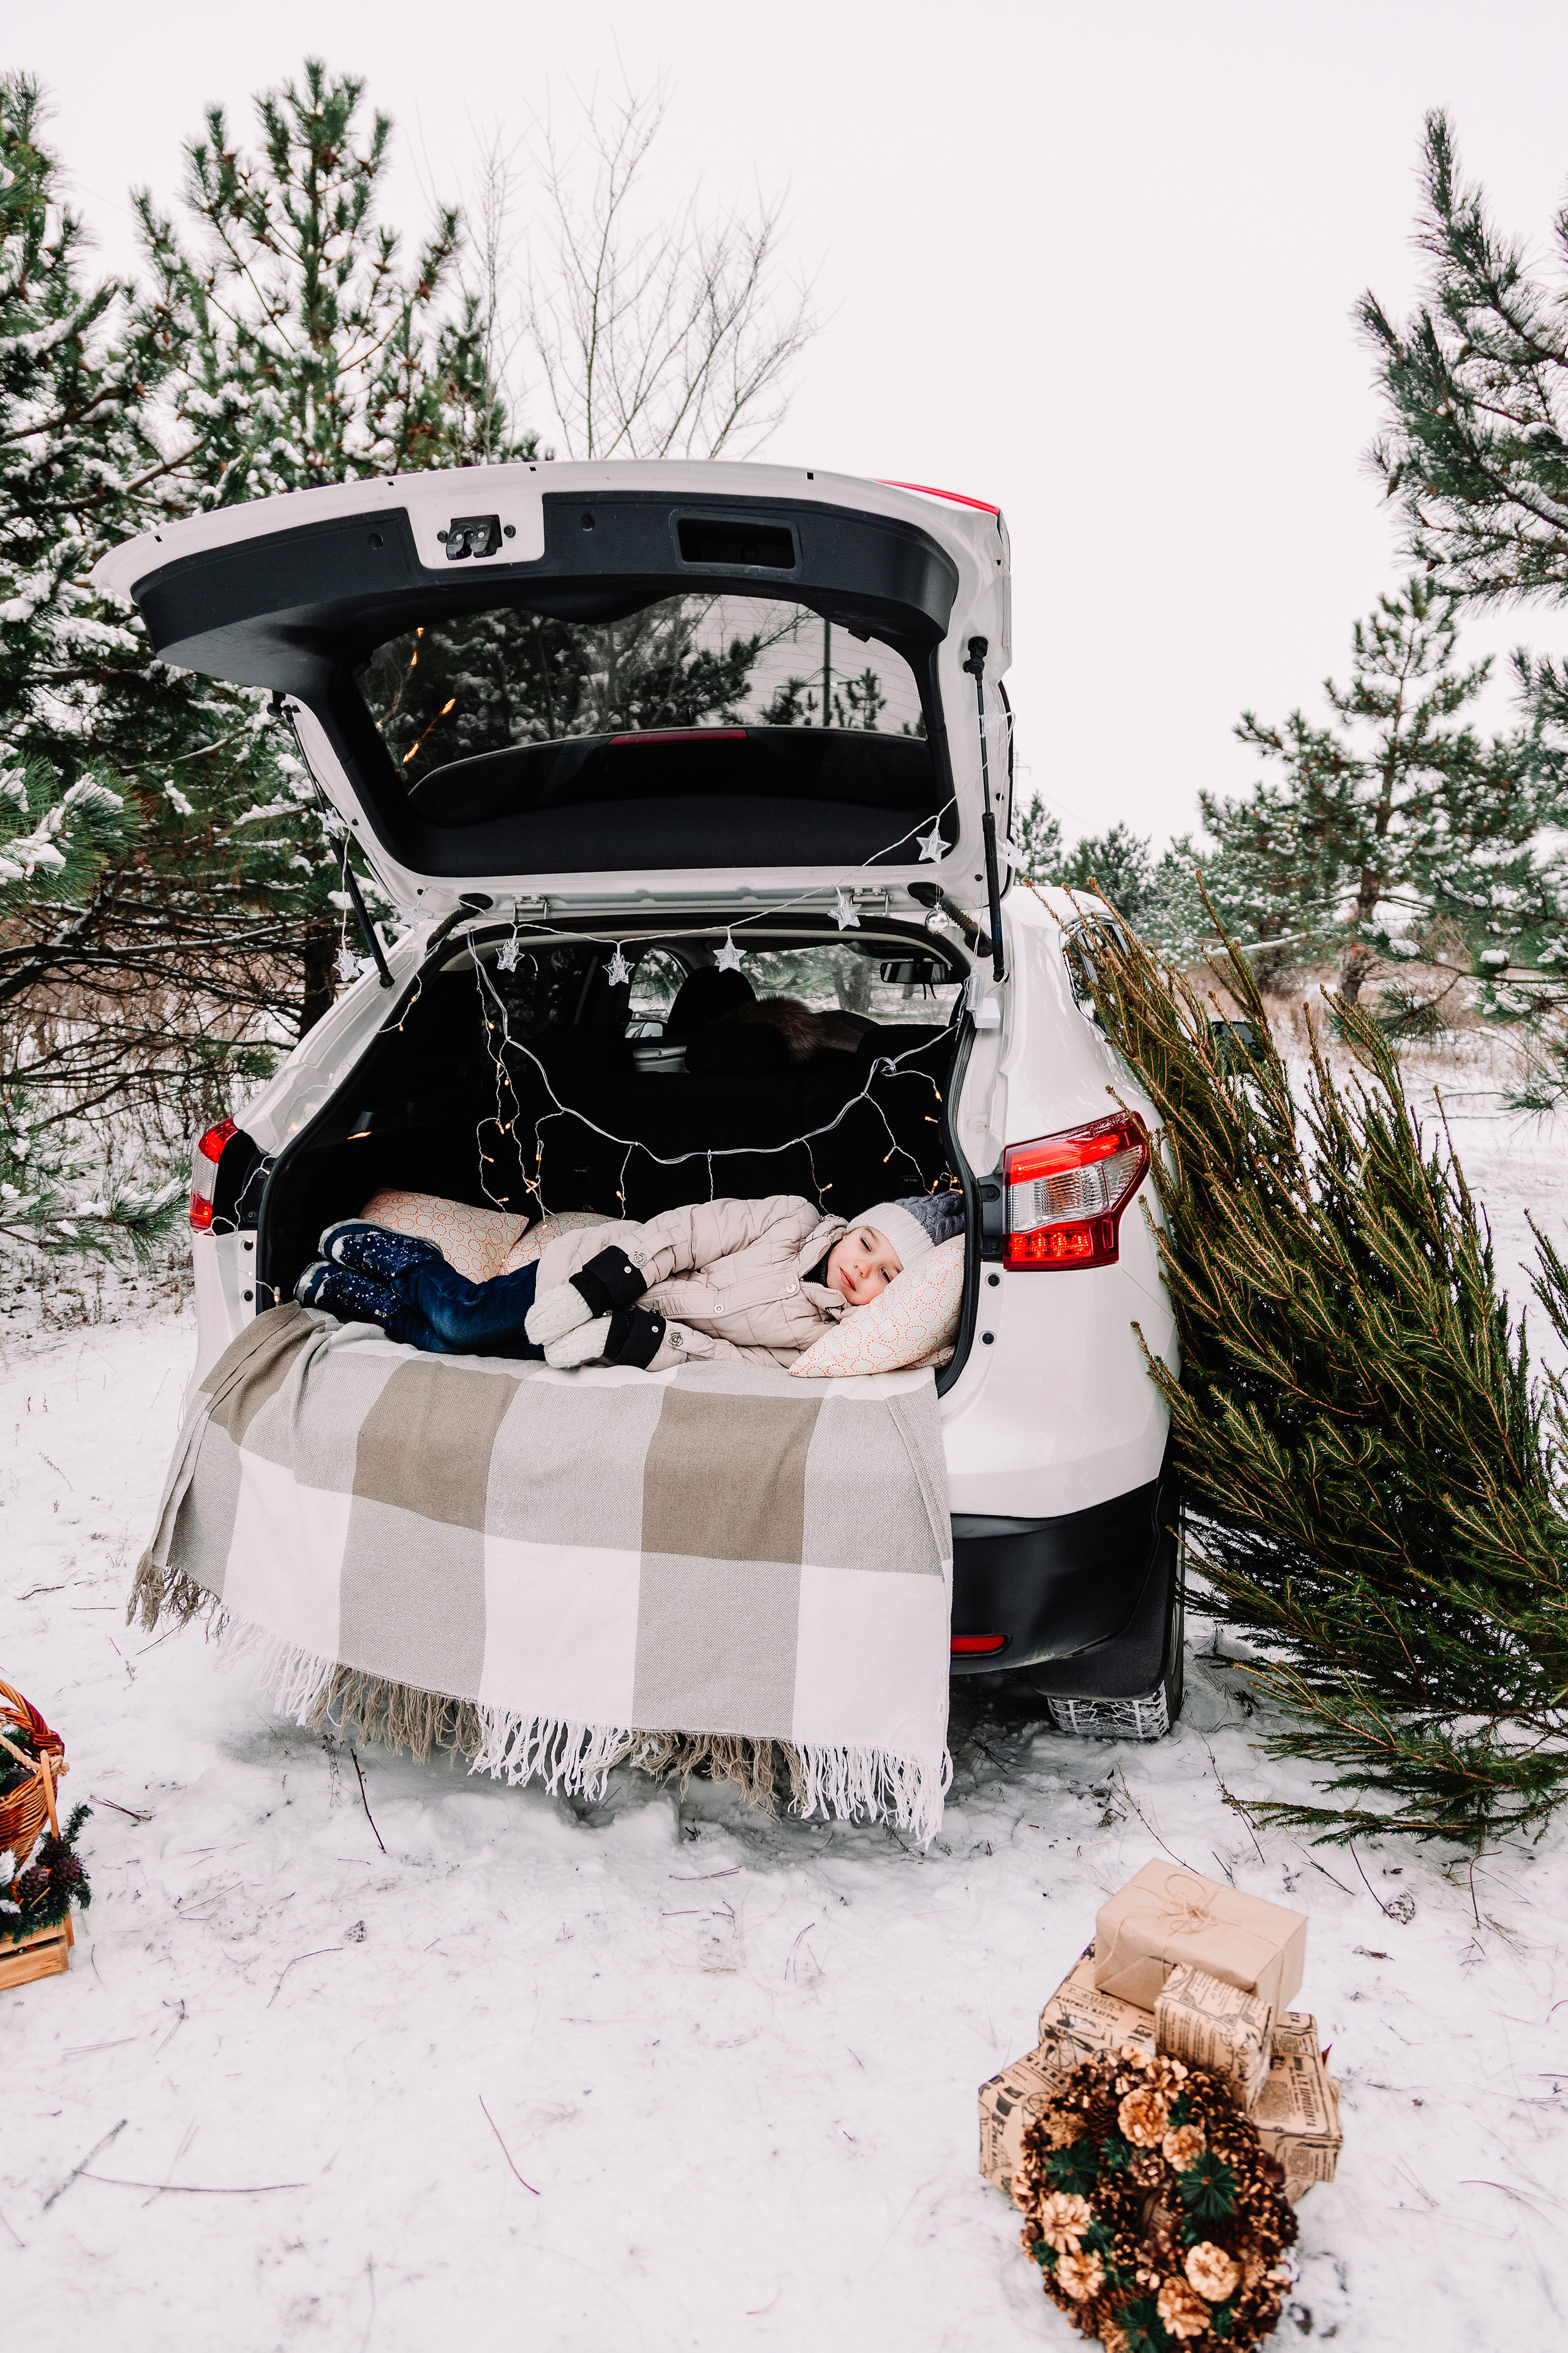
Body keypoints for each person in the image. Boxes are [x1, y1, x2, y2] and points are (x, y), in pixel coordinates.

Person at [294, 1190, 963, 1371]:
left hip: (612, 1328)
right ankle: (410, 1258)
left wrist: (638, 1337)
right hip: (588, 1274)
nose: (861, 1267)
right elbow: (682, 1234)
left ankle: (375, 1302)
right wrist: (595, 1292)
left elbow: (734, 1359)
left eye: (885, 1276)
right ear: (856, 1225)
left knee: (448, 1351)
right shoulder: (790, 1219)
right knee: (465, 1320)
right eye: (868, 1243)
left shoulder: (822, 1342)